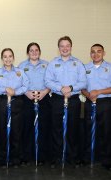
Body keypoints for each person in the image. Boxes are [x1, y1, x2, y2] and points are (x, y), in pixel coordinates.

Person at [45, 36, 86, 168]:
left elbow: (84, 82)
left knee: (72, 128)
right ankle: (56, 158)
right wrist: (61, 89)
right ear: (58, 48)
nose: (65, 48)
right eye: (62, 46)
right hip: (57, 99)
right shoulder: (52, 63)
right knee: (56, 128)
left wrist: (71, 88)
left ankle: (71, 157)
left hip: (73, 100)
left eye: (67, 45)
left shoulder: (78, 63)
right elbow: (48, 81)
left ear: (71, 47)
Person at [0, 48, 29, 168]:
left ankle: (15, 159)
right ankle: (3, 159)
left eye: (10, 56)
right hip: (1, 103)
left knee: (16, 131)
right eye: (5, 57)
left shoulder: (20, 72)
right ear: (2, 59)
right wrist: (5, 89)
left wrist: (15, 91)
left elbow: (25, 86)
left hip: (16, 102)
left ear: (13, 57)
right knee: (1, 131)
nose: (8, 59)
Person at [18, 42, 50, 165]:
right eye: (31, 50)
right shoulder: (21, 66)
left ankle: (41, 156)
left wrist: (44, 92)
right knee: (27, 127)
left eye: (36, 50)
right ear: (27, 53)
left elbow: (51, 81)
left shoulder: (47, 65)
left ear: (40, 52)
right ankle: (27, 155)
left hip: (43, 98)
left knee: (43, 127)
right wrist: (27, 93)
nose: (34, 52)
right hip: (27, 99)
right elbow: (19, 82)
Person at [82, 44, 111, 170]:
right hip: (89, 103)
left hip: (105, 104)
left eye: (99, 51)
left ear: (104, 53)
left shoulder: (109, 68)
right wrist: (88, 95)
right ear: (90, 54)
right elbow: (82, 87)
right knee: (89, 131)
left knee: (106, 132)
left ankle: (106, 160)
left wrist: (98, 92)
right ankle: (89, 158)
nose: (96, 54)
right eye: (93, 52)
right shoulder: (85, 68)